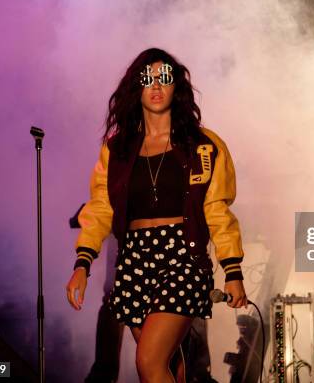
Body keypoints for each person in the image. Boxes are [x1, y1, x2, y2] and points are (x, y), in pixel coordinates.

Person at [66, 47, 247, 382]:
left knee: (148, 362)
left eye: (164, 78)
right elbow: (101, 207)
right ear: (136, 88)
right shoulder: (117, 149)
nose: (156, 85)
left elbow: (216, 208)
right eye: (147, 79)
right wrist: (83, 264)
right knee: (168, 366)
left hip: (183, 256)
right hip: (133, 259)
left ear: (176, 86)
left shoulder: (203, 145)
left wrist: (232, 269)